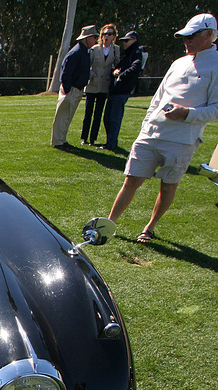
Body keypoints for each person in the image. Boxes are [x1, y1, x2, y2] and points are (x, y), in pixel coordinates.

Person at [108, 14, 218, 243]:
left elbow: (216, 109)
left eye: (192, 36)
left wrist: (187, 114)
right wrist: (146, 125)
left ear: (209, 35)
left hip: (182, 139)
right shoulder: (178, 62)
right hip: (151, 133)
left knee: (168, 186)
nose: (186, 41)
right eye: (184, 37)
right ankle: (109, 223)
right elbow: (158, 98)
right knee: (131, 179)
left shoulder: (216, 64)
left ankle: (149, 228)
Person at [51, 25, 99, 150]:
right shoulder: (76, 52)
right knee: (62, 117)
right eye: (94, 37)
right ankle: (58, 142)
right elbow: (66, 73)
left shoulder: (85, 52)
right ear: (86, 38)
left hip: (77, 89)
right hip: (71, 89)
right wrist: (68, 90)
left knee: (67, 117)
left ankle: (62, 139)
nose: (95, 40)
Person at [100, 30, 143, 151]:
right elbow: (119, 66)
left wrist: (121, 75)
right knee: (107, 118)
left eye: (126, 40)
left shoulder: (136, 53)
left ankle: (111, 143)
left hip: (122, 91)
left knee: (114, 118)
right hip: (115, 91)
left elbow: (136, 68)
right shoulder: (126, 54)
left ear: (134, 40)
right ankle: (110, 142)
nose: (124, 43)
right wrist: (115, 70)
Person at [80, 24, 120, 146]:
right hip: (92, 84)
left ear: (114, 36)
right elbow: (87, 64)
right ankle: (84, 137)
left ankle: (93, 139)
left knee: (98, 114)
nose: (106, 36)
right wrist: (91, 74)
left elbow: (117, 63)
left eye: (110, 34)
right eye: (104, 34)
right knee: (88, 113)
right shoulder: (95, 49)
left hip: (104, 85)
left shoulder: (115, 49)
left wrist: (116, 71)